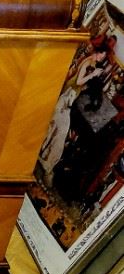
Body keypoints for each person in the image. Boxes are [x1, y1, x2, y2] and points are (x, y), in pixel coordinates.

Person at [38, 40, 111, 186]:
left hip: (69, 99)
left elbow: (80, 85)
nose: (103, 57)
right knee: (60, 131)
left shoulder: (92, 64)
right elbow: (78, 81)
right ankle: (47, 167)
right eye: (103, 54)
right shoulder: (89, 62)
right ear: (99, 52)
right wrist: (93, 75)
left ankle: (43, 160)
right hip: (66, 98)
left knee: (54, 129)